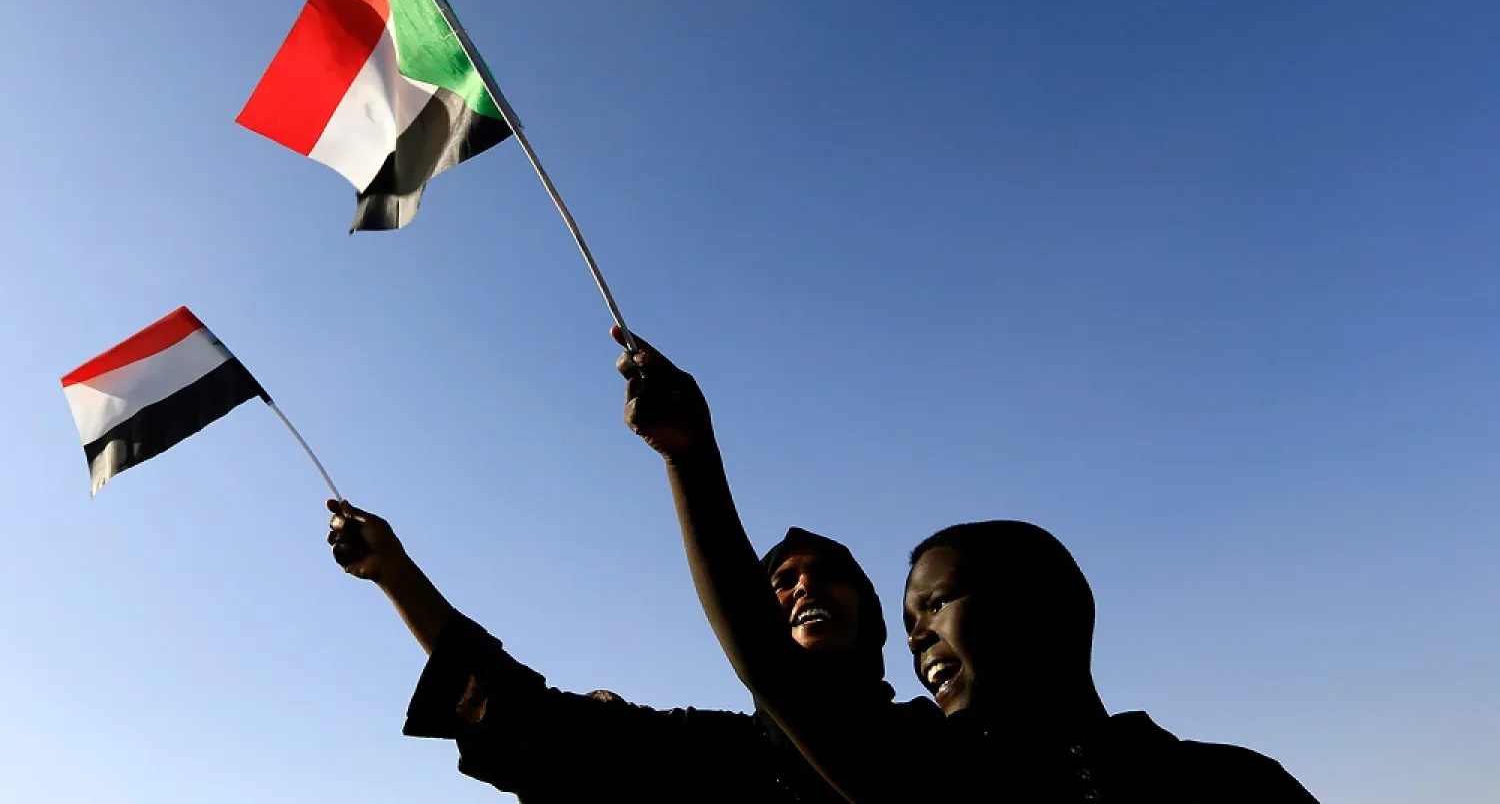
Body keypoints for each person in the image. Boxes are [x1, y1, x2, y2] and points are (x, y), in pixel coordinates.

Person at [614, 327, 1321, 802]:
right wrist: (691, 458)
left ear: (1042, 604)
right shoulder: (941, 776)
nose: (916, 634)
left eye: (936, 603)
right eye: (909, 619)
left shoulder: (1232, 782)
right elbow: (772, 670)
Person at [325, 495, 934, 802]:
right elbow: (531, 720)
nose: (805, 587)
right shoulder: (717, 754)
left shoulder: (937, 742)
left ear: (875, 618)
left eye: (830, 575)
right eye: (781, 580)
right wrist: (396, 575)